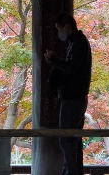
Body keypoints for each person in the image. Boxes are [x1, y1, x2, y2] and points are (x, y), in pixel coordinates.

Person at [44, 12, 92, 175]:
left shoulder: (79, 43)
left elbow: (71, 68)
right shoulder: (77, 43)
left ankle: (71, 173)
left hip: (73, 99)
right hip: (75, 98)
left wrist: (53, 59)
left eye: (59, 28)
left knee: (66, 139)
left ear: (67, 26)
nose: (59, 32)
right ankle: (72, 171)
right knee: (72, 140)